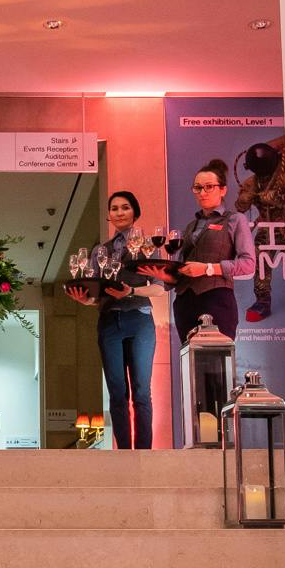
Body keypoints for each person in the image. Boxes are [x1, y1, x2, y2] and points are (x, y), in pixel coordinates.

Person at [66, 189, 164, 450]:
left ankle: (144, 451)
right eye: (114, 208)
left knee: (142, 392)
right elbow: (98, 294)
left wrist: (131, 291)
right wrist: (85, 300)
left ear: (135, 212)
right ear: (109, 215)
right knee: (117, 393)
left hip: (140, 319)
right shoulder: (101, 250)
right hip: (109, 321)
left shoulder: (148, 245)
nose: (119, 212)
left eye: (125, 207)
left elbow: (159, 288)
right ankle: (123, 452)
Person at [169, 158, 257, 442]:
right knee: (193, 373)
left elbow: (248, 265)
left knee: (218, 374)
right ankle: (198, 437)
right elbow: (183, 268)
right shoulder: (190, 226)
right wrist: (162, 273)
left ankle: (222, 439)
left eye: (208, 187)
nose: (202, 192)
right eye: (197, 188)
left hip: (217, 298)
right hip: (186, 302)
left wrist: (208, 268)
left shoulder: (235, 220)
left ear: (222, 189)